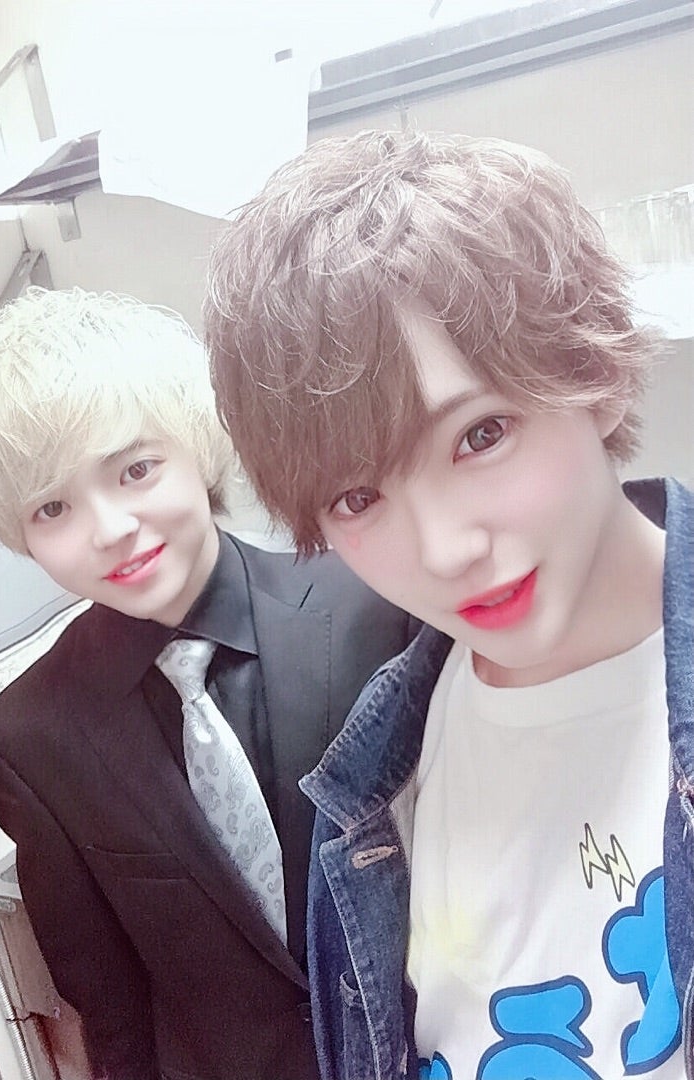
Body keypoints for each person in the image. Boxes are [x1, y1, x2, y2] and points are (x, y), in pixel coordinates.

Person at [204, 130, 694, 1080]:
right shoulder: (371, 782)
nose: (445, 551)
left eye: (481, 436)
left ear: (591, 375)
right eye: (358, 498)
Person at [0, 286, 418, 1080]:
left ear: (198, 446)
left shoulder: (375, 603)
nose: (110, 529)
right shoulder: (29, 738)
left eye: (136, 470)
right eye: (53, 508)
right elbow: (110, 1003)